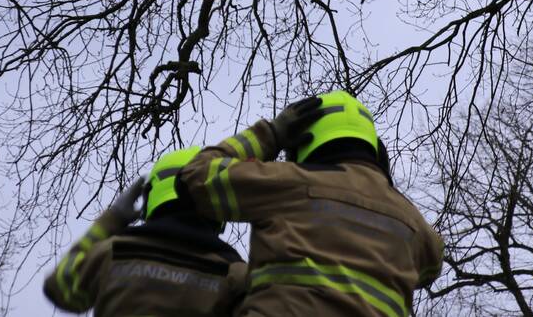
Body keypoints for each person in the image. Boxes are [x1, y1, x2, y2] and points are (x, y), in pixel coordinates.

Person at [178, 91, 444, 317]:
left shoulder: (287, 183)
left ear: (301, 143)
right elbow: (431, 266)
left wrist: (271, 134)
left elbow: (195, 178)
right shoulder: (414, 223)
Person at [43, 146, 247, 316]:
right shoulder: (236, 276)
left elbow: (60, 287)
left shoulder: (112, 254)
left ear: (149, 196)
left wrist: (112, 219)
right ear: (220, 202)